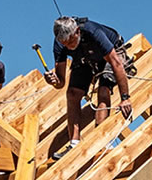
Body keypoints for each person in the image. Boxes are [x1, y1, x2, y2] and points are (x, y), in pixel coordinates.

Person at [44, 16, 136, 159]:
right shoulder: (60, 44)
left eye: (71, 41)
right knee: (72, 94)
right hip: (84, 58)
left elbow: (116, 63)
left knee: (103, 89)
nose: (68, 46)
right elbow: (60, 82)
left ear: (77, 31)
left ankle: (101, 141)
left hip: (110, 54)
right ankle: (74, 143)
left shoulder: (94, 32)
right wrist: (53, 81)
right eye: (65, 44)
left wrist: (125, 98)